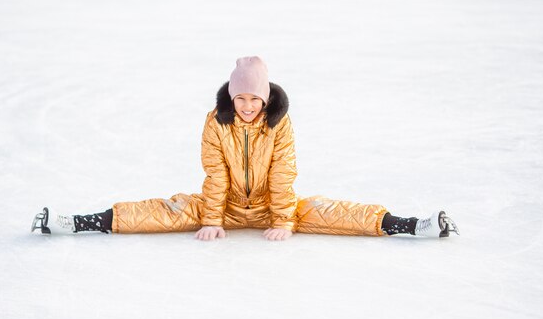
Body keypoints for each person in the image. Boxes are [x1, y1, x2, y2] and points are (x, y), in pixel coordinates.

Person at [31, 56, 459, 240]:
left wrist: (283, 220)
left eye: (256, 98)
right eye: (242, 98)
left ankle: (408, 225)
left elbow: (283, 173)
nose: (249, 106)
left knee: (332, 210)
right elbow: (215, 173)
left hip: (279, 205)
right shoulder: (216, 123)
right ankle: (80, 222)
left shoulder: (280, 124)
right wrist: (213, 219)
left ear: (267, 98)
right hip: (227, 205)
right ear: (232, 98)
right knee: (169, 208)